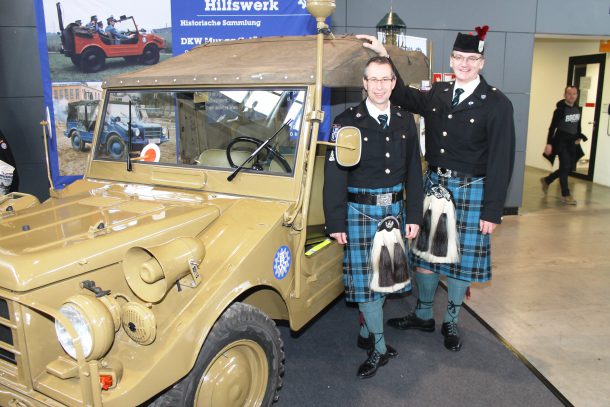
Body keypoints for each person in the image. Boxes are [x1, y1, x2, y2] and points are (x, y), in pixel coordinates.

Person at [358, 26, 515, 352]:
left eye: (471, 59)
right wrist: (384, 55)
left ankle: (452, 320)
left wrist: (492, 210)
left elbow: (502, 159)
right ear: (451, 59)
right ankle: (424, 314)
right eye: (459, 57)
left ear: (481, 63)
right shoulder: (439, 93)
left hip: (472, 189)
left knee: (461, 261)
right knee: (426, 256)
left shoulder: (497, 103)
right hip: (435, 184)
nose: (464, 64)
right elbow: (402, 94)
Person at [323, 56, 423, 378]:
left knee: (385, 277)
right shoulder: (345, 121)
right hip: (359, 212)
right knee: (368, 284)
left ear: (393, 83)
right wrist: (335, 221)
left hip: (395, 210)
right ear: (364, 83)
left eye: (385, 79)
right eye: (373, 80)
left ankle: (367, 332)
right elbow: (334, 174)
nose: (379, 86)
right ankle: (379, 348)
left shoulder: (406, 120)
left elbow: (414, 171)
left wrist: (414, 215)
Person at [540, 86, 587, 205]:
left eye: (574, 94)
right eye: (569, 94)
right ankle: (566, 195)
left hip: (572, 142)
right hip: (561, 142)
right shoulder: (560, 110)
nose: (572, 96)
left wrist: (578, 136)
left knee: (568, 167)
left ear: (577, 95)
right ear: (565, 95)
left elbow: (578, 125)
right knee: (565, 166)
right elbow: (552, 128)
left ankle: (547, 180)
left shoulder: (577, 109)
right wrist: (549, 143)